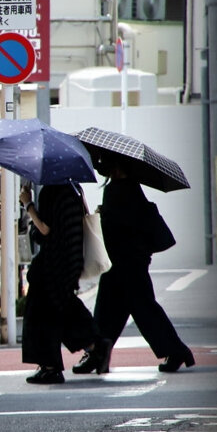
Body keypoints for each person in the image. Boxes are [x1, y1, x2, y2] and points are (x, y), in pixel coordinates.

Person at [73, 153, 195, 374]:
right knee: (119, 310)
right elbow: (131, 222)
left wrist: (103, 216)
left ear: (115, 168)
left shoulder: (115, 190)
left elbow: (116, 229)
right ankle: (98, 354)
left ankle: (175, 351)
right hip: (132, 263)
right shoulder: (132, 188)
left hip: (123, 264)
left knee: (134, 310)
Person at [18, 181, 108, 384]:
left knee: (42, 314)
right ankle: (96, 346)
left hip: (54, 263)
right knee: (65, 309)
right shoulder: (73, 189)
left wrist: (28, 205)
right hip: (70, 260)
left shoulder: (52, 191)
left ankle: (50, 367)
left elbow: (45, 229)